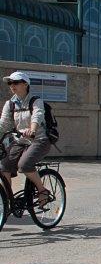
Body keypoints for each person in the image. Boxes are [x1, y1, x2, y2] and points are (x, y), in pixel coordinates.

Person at [1, 71, 55, 204]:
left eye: (16, 82)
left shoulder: (36, 101)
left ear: (25, 84)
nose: (12, 85)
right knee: (3, 165)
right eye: (10, 83)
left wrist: (32, 129)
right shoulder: (10, 104)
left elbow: (37, 116)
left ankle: (42, 191)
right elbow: (4, 124)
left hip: (39, 140)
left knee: (24, 165)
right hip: (20, 141)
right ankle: (8, 201)